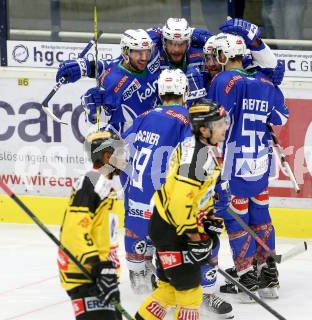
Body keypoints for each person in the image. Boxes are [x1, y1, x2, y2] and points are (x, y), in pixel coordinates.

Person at [207, 32, 289, 300]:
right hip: (261, 163)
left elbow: (214, 119)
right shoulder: (264, 82)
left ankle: (246, 277)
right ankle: (269, 275)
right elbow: (281, 117)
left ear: (224, 56)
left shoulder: (223, 79)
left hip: (234, 164)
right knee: (261, 217)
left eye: (215, 55)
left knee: (236, 219)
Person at [135, 100, 229, 320]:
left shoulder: (198, 147)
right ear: (204, 129)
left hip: (168, 226)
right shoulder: (199, 156)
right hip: (173, 231)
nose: (225, 126)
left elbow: (197, 196)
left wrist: (207, 218)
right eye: (219, 123)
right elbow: (179, 202)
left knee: (168, 291)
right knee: (190, 295)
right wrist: (194, 236)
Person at [121, 68, 191, 294]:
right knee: (166, 237)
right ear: (184, 91)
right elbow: (190, 159)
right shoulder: (185, 120)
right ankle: (166, 282)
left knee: (137, 230)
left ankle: (137, 271)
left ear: (160, 93)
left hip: (136, 193)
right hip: (161, 196)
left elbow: (121, 153)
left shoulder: (142, 117)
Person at [58, 130, 126, 320]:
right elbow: (74, 231)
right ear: (107, 156)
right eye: (119, 153)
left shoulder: (103, 184)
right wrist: (98, 267)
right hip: (86, 274)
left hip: (100, 273)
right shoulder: (92, 182)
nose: (124, 158)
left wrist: (108, 270)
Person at [57, 29, 159, 133]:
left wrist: (86, 66)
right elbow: (100, 124)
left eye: (147, 51)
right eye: (139, 52)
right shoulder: (113, 82)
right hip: (132, 142)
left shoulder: (152, 60)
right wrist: (92, 107)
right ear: (126, 52)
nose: (144, 58)